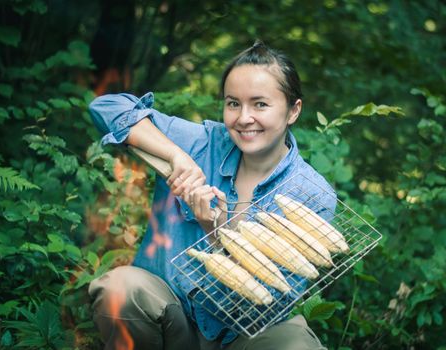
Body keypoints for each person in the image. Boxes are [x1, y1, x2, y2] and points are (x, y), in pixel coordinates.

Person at [88, 40, 336, 350]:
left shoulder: (310, 194)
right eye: (233, 103)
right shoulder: (202, 143)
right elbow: (106, 108)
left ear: (292, 111)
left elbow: (269, 300)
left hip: (243, 338)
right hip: (169, 321)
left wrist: (217, 232)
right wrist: (175, 155)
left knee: (297, 344)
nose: (243, 118)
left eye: (260, 104)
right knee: (120, 287)